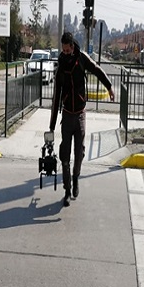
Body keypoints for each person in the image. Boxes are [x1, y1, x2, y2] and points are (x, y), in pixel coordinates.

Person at [49, 31, 115, 206]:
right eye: (63, 50)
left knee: (79, 153)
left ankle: (76, 178)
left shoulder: (82, 58)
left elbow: (97, 70)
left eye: (67, 49)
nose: (65, 52)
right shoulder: (61, 65)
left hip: (80, 115)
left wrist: (109, 86)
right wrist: (52, 126)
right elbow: (56, 97)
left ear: (72, 46)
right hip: (67, 116)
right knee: (64, 155)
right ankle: (67, 190)